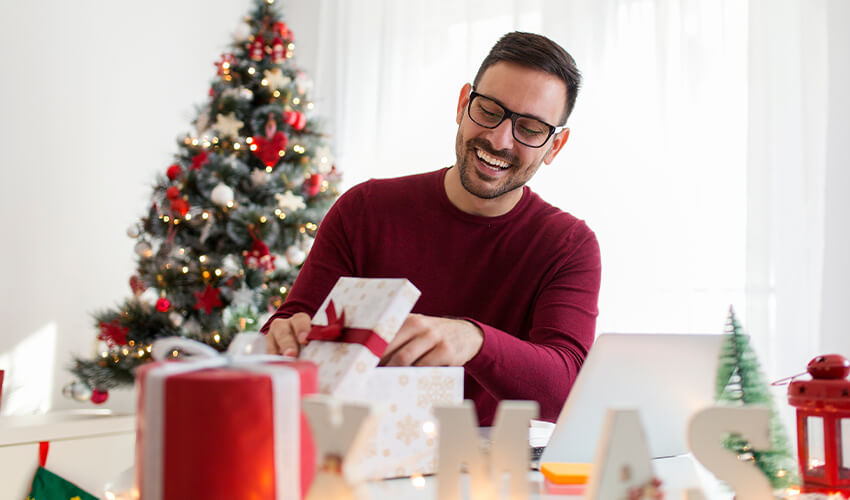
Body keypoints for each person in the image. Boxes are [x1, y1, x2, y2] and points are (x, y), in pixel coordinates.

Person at [262, 32, 601, 425]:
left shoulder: (568, 244)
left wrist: (473, 341)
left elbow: (565, 390)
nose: (498, 138)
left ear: (554, 147)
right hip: (356, 454)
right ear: (463, 105)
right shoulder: (365, 210)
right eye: (489, 110)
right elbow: (287, 329)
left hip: (487, 471)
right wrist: (285, 335)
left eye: (529, 129)